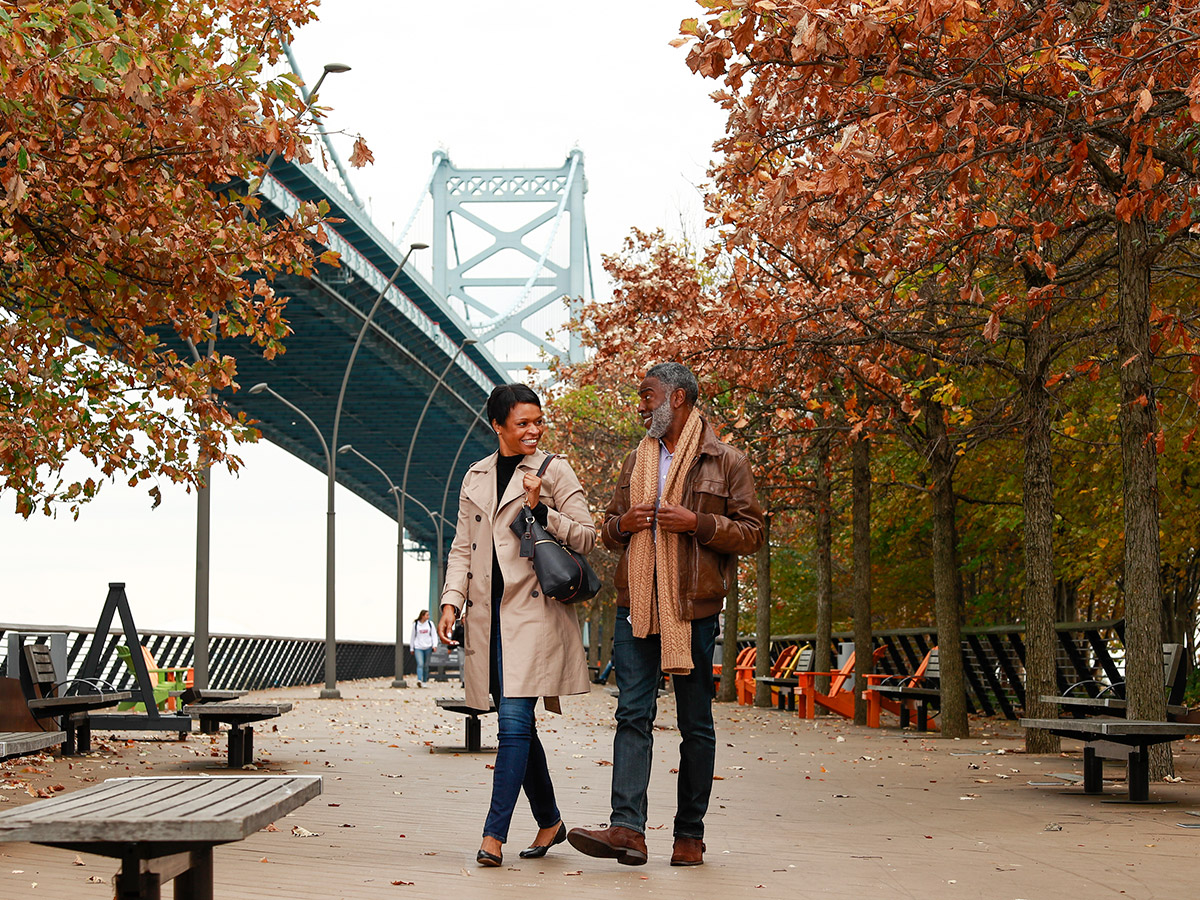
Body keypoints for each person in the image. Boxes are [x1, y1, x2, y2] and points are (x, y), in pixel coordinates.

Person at [567, 362, 764, 867]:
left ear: (677, 398)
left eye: (647, 395)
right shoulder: (636, 461)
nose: (640, 405)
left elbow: (752, 533)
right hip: (637, 605)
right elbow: (609, 528)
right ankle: (627, 830)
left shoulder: (727, 461)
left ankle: (689, 836)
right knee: (632, 713)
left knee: (696, 722)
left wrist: (697, 522)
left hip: (693, 610)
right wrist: (622, 525)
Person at [437, 383, 596, 868]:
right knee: (518, 725)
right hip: (488, 619)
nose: (534, 430)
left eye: (538, 421)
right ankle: (549, 820)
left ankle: (493, 837)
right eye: (523, 423)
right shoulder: (476, 476)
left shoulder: (554, 470)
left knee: (511, 725)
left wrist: (541, 508)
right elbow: (462, 546)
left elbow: (588, 537)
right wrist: (450, 601)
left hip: (533, 616)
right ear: (498, 426)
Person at [409, 609, 437, 685]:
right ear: (422, 616)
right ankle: (419, 679)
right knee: (420, 663)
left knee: (426, 665)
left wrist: (434, 645)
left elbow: (434, 635)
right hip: (418, 646)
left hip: (428, 646)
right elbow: (413, 636)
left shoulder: (430, 624)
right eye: (427, 615)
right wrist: (412, 647)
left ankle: (424, 680)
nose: (428, 616)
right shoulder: (416, 625)